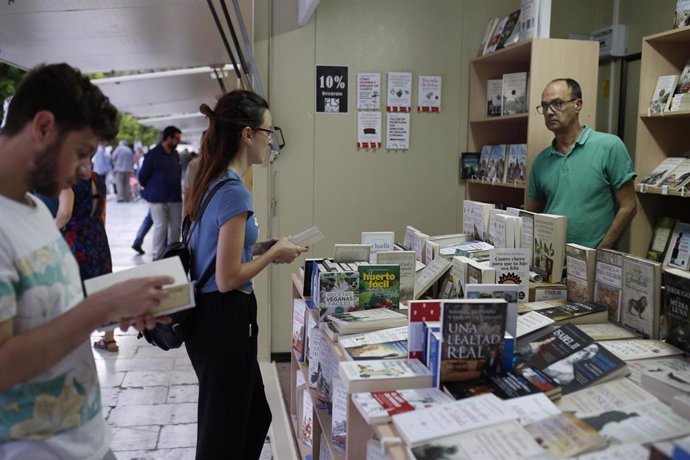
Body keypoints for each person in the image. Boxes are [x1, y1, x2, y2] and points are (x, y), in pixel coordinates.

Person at [0, 63, 173, 459]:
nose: (85, 170)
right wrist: (101, 306)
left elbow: (51, 316)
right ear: (42, 127)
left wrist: (115, 308)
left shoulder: (31, 208)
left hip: (85, 441)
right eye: (81, 153)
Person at [184, 90, 307, 459]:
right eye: (269, 132)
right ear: (247, 135)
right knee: (226, 429)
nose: (272, 141)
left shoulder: (213, 180)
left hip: (209, 319)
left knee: (252, 413)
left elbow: (219, 249)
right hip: (223, 318)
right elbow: (227, 277)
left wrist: (261, 246)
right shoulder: (235, 191)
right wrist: (273, 255)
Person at [526, 78, 637, 249]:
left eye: (557, 104)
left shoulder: (609, 147)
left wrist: (601, 251)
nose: (549, 112)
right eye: (545, 106)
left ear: (577, 105)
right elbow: (531, 215)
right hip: (550, 263)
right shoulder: (541, 161)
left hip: (594, 262)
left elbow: (629, 206)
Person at [55, 155, 118, 352]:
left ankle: (77, 337)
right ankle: (109, 339)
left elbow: (65, 212)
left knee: (77, 286)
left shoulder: (68, 180)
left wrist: (50, 231)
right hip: (97, 234)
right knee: (103, 285)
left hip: (77, 238)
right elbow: (103, 211)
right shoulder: (97, 178)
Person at [138, 126, 183, 260]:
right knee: (160, 227)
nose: (178, 141)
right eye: (176, 138)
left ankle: (172, 255)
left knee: (175, 228)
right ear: (168, 138)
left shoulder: (175, 154)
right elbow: (142, 177)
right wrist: (153, 188)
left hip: (175, 197)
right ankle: (157, 257)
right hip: (157, 198)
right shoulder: (153, 154)